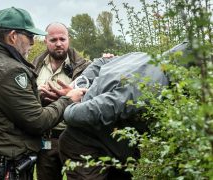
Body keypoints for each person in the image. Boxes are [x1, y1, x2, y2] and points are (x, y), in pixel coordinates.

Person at [0, 7, 86, 180]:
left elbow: (7, 105)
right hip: (4, 168)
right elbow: (37, 121)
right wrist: (68, 99)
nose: (32, 42)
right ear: (13, 36)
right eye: (29, 36)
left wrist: (35, 96)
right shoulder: (10, 70)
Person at [56, 42, 190, 179]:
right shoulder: (153, 85)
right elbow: (102, 107)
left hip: (116, 152)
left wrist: (81, 85)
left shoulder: (140, 56)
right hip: (85, 146)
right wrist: (70, 106)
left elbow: (102, 61)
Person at [32, 22, 90, 180]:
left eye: (62, 39)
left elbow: (93, 100)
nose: (58, 44)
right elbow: (25, 102)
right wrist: (38, 96)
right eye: (53, 40)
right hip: (46, 140)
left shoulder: (85, 68)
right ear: (45, 41)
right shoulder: (33, 67)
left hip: (76, 138)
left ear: (69, 39)